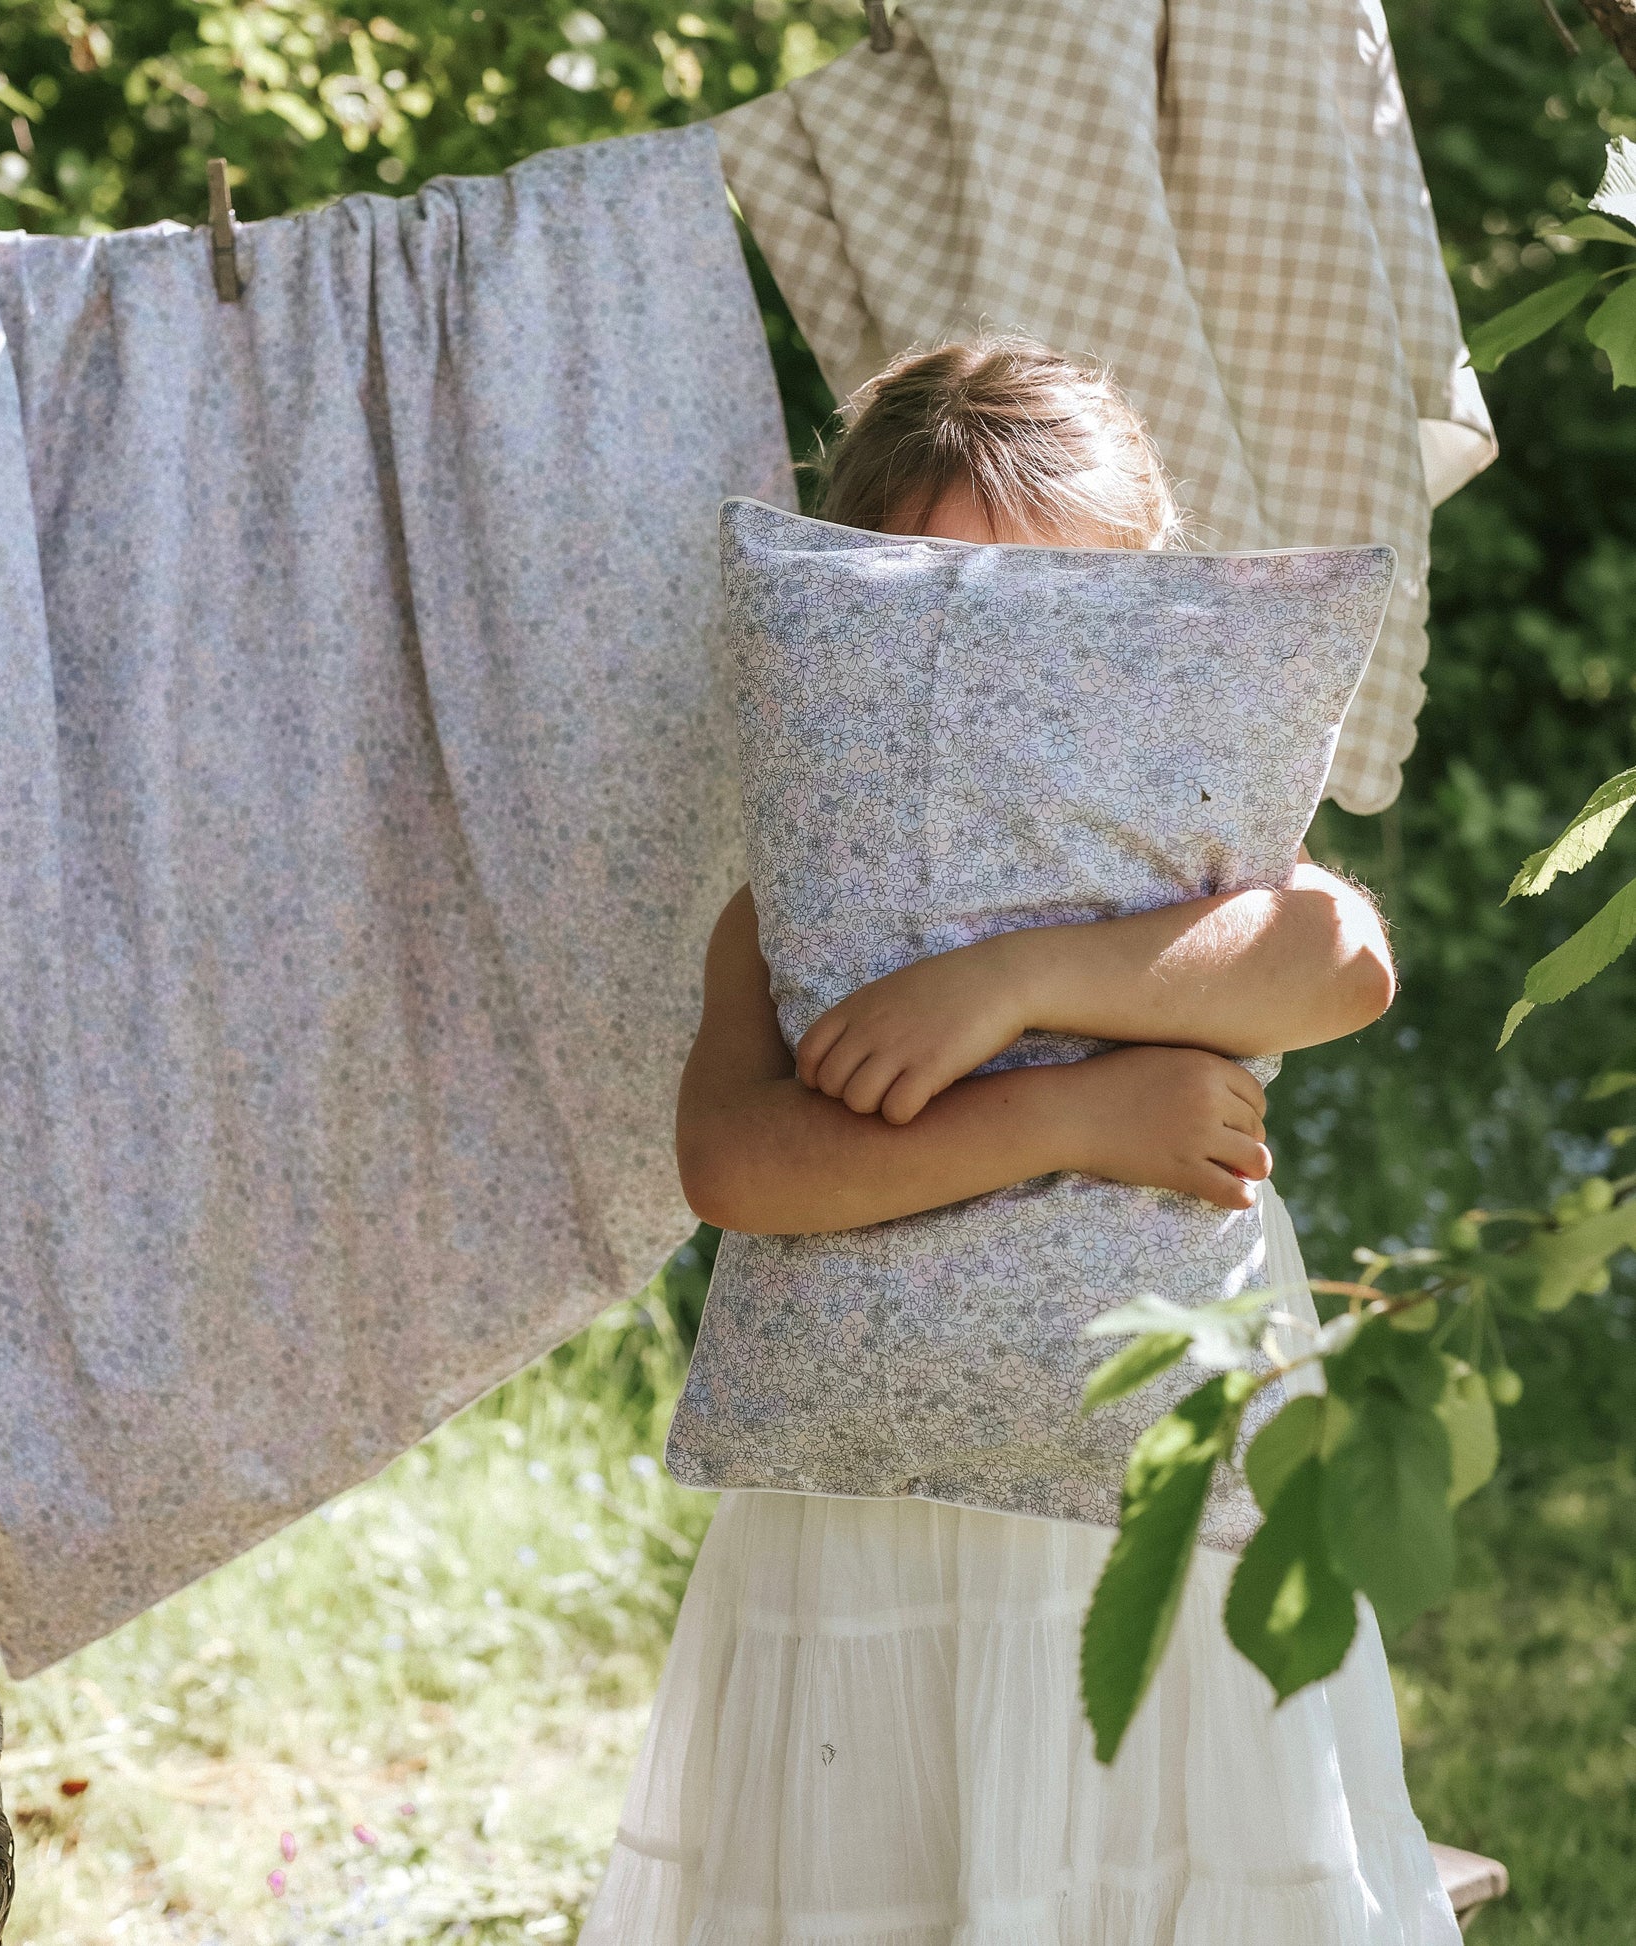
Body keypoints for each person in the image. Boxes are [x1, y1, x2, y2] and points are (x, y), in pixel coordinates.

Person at [580, 338, 1462, 1945]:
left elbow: (1343, 963)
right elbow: (737, 1166)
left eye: (1059, 610)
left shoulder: (1189, 863)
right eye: (946, 608)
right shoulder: (791, 913)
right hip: (871, 1491)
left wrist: (1015, 981)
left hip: (1157, 1481)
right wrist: (1070, 1111)